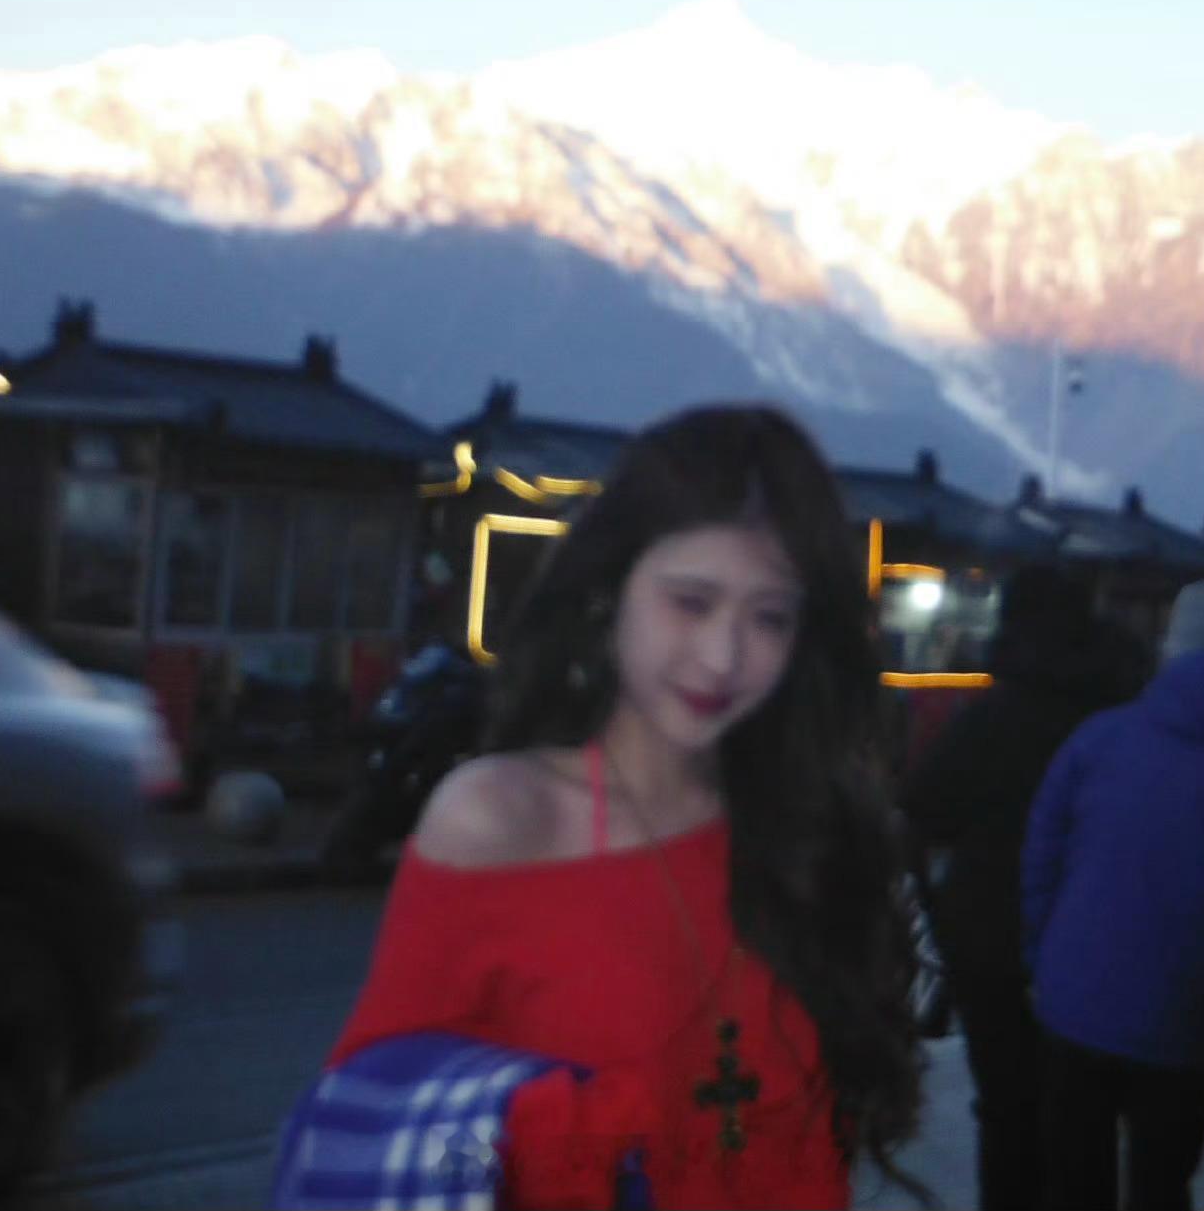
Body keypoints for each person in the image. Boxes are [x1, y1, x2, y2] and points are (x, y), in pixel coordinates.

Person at [320, 405, 925, 1211]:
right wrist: (555, 1147)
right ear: (612, 589)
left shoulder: (808, 827)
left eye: (769, 617)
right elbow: (377, 1127)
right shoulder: (500, 819)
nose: (723, 655)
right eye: (691, 601)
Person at [1022, 578, 1204, 1211]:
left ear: (1169, 650)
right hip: (1179, 1027)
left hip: (1072, 1006)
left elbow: (1041, 857)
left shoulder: (1097, 739)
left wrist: (1040, 959)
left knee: (1073, 1187)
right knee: (1161, 1188)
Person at [899, 566, 1147, 1209]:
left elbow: (924, 808)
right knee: (1084, 1118)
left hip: (992, 939)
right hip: (1098, 943)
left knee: (1008, 1110)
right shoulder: (1120, 713)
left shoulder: (989, 720)